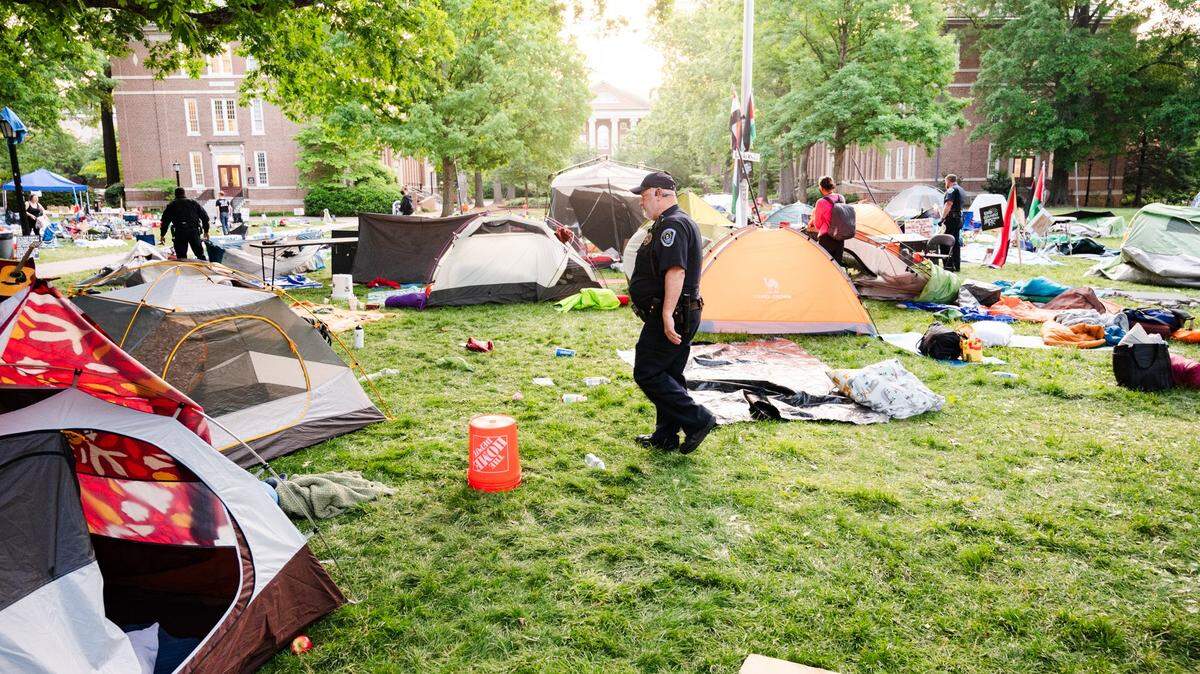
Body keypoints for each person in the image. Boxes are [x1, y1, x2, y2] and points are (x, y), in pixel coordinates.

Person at [627, 171, 717, 454]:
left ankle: (698, 419)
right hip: (683, 310)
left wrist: (666, 314)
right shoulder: (674, 222)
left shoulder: (673, 226)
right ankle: (665, 436)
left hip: (673, 312)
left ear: (657, 194)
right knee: (668, 373)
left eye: (643, 197)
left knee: (647, 372)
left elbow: (675, 271)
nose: (642, 203)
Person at [160, 187, 209, 261]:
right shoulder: (193, 203)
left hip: (180, 232)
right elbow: (205, 217)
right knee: (200, 254)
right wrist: (206, 231)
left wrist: (162, 235)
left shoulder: (172, 205)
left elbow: (165, 221)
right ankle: (205, 269)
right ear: (184, 193)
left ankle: (184, 271)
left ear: (175, 194)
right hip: (193, 231)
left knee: (181, 257)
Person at [809, 176, 845, 263]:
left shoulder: (821, 202)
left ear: (821, 188)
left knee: (824, 264)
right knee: (837, 266)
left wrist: (812, 220)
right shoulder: (841, 198)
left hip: (827, 237)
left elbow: (818, 224)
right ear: (832, 186)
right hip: (840, 236)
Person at [941, 174, 966, 271]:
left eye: (945, 181)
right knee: (955, 242)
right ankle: (957, 265)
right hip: (958, 218)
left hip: (951, 219)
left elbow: (948, 204)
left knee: (945, 241)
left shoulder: (951, 189)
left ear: (948, 181)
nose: (945, 183)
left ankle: (949, 265)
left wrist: (942, 218)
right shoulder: (961, 189)